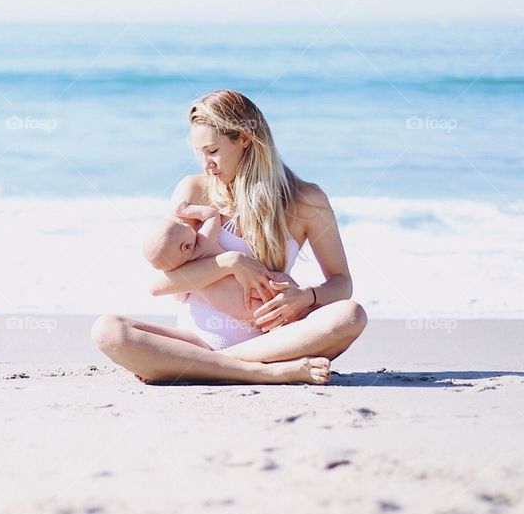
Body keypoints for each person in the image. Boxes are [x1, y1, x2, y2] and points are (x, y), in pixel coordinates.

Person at [91, 89, 367, 384]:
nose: (205, 165)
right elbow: (162, 284)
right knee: (108, 330)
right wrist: (229, 263)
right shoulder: (194, 191)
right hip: (193, 342)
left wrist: (306, 296)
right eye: (200, 154)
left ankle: (207, 367)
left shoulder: (307, 200)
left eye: (212, 152)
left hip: (273, 343)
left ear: (244, 139)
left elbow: (341, 283)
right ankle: (262, 373)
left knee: (351, 315)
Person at [141, 200, 299, 333]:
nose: (183, 220)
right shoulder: (202, 243)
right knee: (282, 284)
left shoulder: (184, 277)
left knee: (268, 319)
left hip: (243, 309)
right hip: (249, 287)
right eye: (182, 225)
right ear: (186, 247)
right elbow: (211, 215)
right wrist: (186, 210)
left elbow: (177, 293)